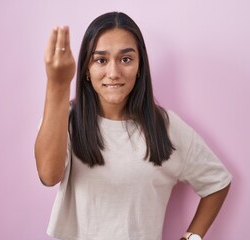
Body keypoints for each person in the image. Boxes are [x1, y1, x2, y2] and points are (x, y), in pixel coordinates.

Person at [35, 11, 232, 240]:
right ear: (87, 70)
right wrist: (57, 85)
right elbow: (48, 176)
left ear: (140, 66)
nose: (113, 73)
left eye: (126, 59)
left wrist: (192, 237)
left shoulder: (166, 126)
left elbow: (217, 181)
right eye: (101, 60)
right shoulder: (65, 119)